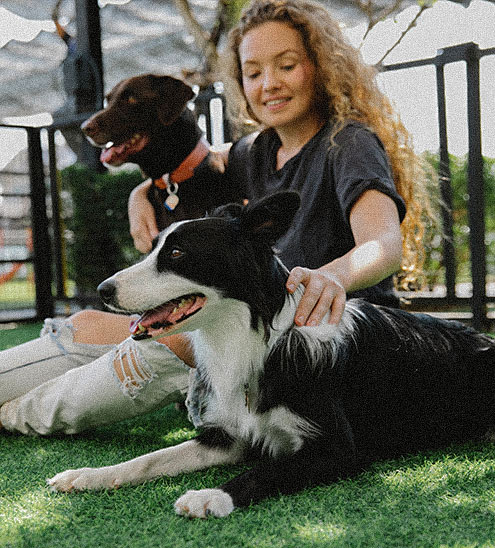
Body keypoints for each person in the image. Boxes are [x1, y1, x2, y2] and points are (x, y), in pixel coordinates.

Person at [0, 0, 431, 436]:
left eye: (287, 65)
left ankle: (13, 416)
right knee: (87, 325)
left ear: (321, 66)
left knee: (169, 342)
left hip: (332, 342)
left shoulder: (349, 144)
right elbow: (197, 163)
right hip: (258, 339)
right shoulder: (255, 152)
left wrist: (331, 276)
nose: (270, 84)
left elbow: (383, 245)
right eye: (254, 72)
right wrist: (142, 191)